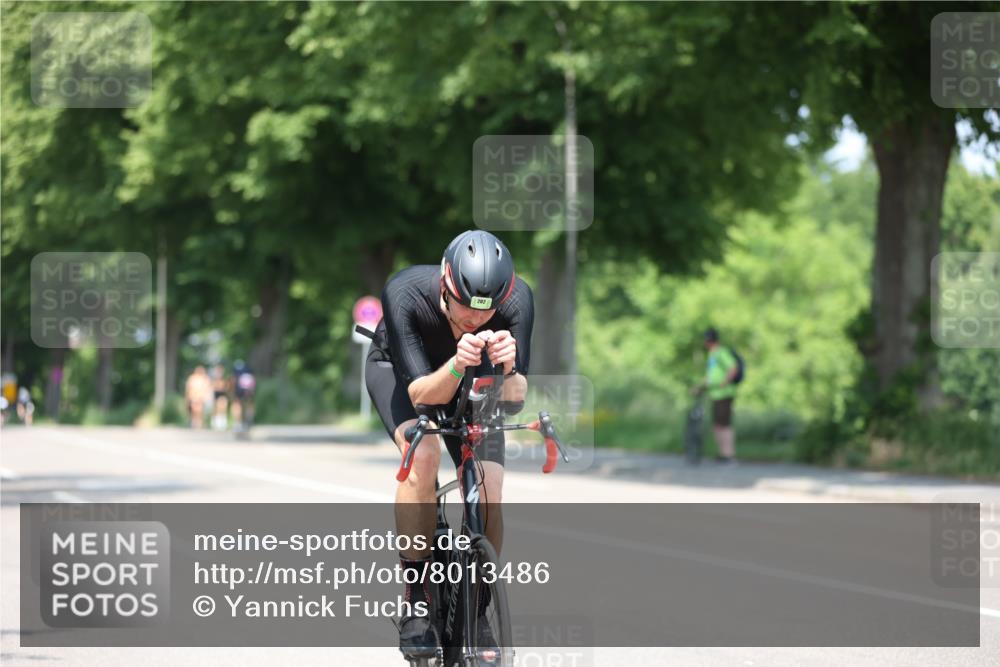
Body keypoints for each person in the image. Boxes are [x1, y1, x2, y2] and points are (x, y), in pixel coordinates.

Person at [364, 229, 534, 658]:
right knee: (423, 453)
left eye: (486, 312)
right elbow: (422, 395)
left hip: (476, 374)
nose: (475, 321)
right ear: (444, 282)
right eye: (463, 310)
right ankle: (418, 597)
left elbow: (514, 401)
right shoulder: (403, 293)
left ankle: (477, 606)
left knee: (489, 483)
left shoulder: (517, 302)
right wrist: (459, 362)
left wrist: (510, 371)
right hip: (405, 374)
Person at [693, 327, 739, 464]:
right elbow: (711, 376)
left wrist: (724, 383)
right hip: (716, 394)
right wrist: (700, 387)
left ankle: (729, 455)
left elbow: (733, 368)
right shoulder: (712, 354)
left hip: (724, 394)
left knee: (724, 424)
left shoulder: (721, 352)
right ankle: (723, 453)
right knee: (718, 425)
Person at [231, 360, 256, 433]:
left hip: (239, 388)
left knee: (237, 404)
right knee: (249, 403)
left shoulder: (236, 371)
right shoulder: (248, 370)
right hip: (249, 387)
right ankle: (249, 419)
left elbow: (233, 380)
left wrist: (232, 392)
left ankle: (237, 422)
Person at [210, 364, 229, 430]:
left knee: (223, 407)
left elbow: (226, 387)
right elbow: (213, 387)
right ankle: (215, 422)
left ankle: (223, 423)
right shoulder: (214, 379)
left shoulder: (224, 378)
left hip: (223, 394)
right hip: (216, 394)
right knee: (216, 408)